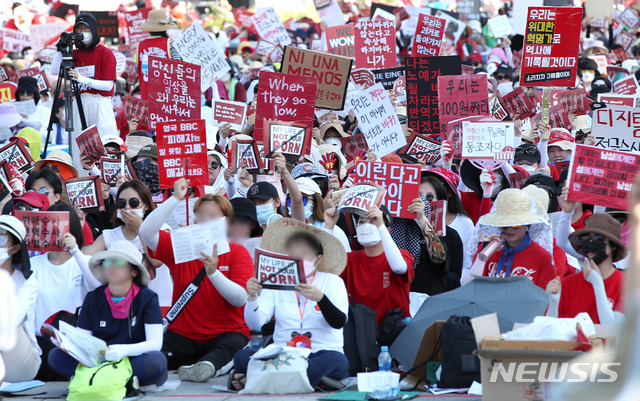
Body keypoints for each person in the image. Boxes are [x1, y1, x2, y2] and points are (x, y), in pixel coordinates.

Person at [139, 178, 253, 383]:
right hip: (183, 335)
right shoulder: (180, 245)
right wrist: (175, 198)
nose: (204, 219)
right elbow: (146, 232)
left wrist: (214, 273)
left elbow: (239, 299)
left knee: (225, 350)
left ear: (225, 221)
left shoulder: (237, 252)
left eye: (212, 215)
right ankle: (200, 366)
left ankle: (207, 367)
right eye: (199, 214)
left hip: (226, 333)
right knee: (151, 357)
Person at [231, 218, 349, 390]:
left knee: (338, 362)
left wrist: (321, 299)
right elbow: (255, 323)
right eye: (293, 254)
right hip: (283, 352)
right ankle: (304, 380)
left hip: (319, 352)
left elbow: (339, 321)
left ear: (318, 259)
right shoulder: (275, 282)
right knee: (242, 356)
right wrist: (252, 297)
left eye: (304, 254)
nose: (298, 259)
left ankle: (258, 378)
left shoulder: (332, 282)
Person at [48, 240, 168, 387]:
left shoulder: (148, 298)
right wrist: (66, 343)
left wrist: (124, 350)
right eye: (107, 262)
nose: (111, 266)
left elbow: (155, 343)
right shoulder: (93, 298)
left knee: (156, 360)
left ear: (134, 271)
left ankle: (97, 378)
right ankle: (119, 380)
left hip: (131, 359)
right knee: (55, 356)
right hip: (99, 360)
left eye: (118, 262)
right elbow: (83, 339)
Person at [32, 203, 97, 380]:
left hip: (74, 344)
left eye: (60, 226)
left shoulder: (85, 262)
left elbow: (97, 288)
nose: (55, 231)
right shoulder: (33, 265)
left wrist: (75, 250)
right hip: (39, 345)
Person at [51, 12, 117, 172]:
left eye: (85, 29)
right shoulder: (75, 54)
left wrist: (82, 79)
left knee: (103, 142)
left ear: (93, 30)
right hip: (78, 102)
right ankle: (81, 177)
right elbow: (54, 70)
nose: (82, 33)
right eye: (78, 29)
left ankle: (107, 182)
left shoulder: (105, 53)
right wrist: (61, 49)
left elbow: (108, 86)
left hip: (99, 102)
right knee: (79, 146)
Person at [336, 205, 414, 340]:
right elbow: (326, 270)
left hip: (395, 334)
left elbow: (399, 267)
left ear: (387, 230)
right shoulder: (350, 259)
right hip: (360, 335)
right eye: (361, 221)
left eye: (373, 221)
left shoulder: (402, 255)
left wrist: (381, 226)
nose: (366, 226)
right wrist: (329, 227)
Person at [464, 189, 556, 289]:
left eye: (516, 225)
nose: (510, 229)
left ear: (528, 224)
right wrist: (483, 255)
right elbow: (468, 286)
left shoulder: (542, 256)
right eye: (504, 225)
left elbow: (547, 297)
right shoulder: (489, 248)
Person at [547, 213, 627, 324]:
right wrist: (553, 303)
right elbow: (549, 330)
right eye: (585, 239)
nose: (591, 245)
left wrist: (598, 284)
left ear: (613, 246)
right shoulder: (567, 284)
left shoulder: (627, 284)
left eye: (598, 239)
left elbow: (613, 329)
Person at [0, 215, 40, 382]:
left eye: (1, 239)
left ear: (15, 248)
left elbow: (12, 320)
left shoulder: (27, 283)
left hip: (21, 364)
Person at [137, 9, 181, 101]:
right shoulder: (170, 43)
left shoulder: (140, 45)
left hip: (146, 96)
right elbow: (179, 68)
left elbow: (137, 69)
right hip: (167, 96)